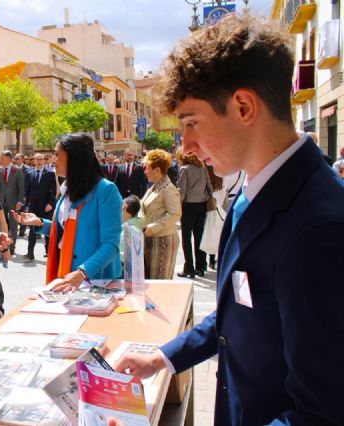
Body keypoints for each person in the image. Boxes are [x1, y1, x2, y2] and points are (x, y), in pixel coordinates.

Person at [112, 13, 344, 425]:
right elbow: (237, 313)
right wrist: (164, 357)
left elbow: (320, 413)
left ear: (243, 106)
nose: (186, 146)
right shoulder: (250, 193)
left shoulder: (319, 229)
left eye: (192, 124)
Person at [12, 133, 122, 292]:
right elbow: (67, 230)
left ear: (74, 158)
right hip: (67, 272)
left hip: (97, 280)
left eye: (57, 155)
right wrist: (40, 223)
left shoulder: (106, 190)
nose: (53, 160)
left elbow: (111, 245)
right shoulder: (68, 189)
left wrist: (82, 272)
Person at [139, 149, 181, 280]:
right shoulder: (155, 186)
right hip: (152, 240)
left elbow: (175, 214)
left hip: (163, 241)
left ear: (157, 170)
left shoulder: (168, 189)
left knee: (160, 282)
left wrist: (154, 227)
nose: (145, 171)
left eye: (147, 168)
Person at [175, 148, 212, 278]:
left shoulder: (184, 169)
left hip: (188, 206)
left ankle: (189, 268)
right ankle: (201, 267)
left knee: (186, 238)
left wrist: (178, 208)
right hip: (201, 205)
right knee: (199, 236)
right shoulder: (202, 168)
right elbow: (210, 188)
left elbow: (182, 191)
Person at [23, 153, 57, 261]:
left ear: (44, 161)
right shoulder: (29, 172)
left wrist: (51, 204)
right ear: (33, 160)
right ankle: (30, 253)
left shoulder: (50, 174)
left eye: (41, 159)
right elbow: (27, 190)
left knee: (46, 228)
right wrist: (27, 205)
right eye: (37, 159)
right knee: (32, 229)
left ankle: (48, 251)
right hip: (33, 206)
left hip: (45, 206)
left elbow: (53, 191)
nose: (38, 161)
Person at [0, 150, 25, 254]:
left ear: (8, 158)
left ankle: (12, 247)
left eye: (2, 158)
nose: (0, 160)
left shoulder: (17, 170)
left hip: (14, 202)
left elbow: (21, 187)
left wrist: (20, 202)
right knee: (3, 224)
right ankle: (4, 245)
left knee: (13, 225)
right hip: (2, 202)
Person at [199, 166, 226, 270]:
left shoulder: (205, 179)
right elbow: (223, 195)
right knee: (213, 233)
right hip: (217, 209)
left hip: (206, 208)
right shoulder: (220, 180)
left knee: (203, 233)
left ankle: (203, 262)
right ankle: (212, 259)